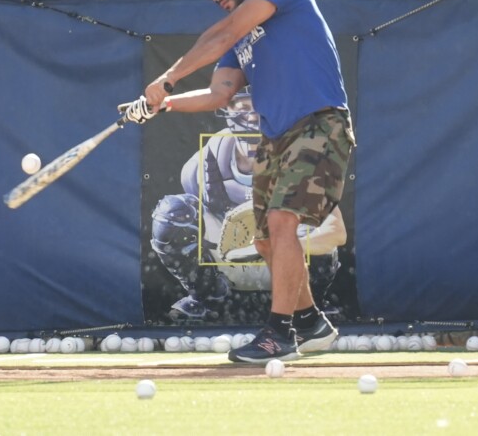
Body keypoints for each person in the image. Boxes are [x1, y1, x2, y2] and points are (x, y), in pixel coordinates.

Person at [124, 0, 355, 363]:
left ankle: (278, 333)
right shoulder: (240, 38)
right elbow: (219, 93)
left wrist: (168, 78)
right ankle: (310, 322)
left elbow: (224, 33)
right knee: (266, 240)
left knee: (284, 222)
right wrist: (163, 103)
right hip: (275, 137)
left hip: (320, 122)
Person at [149, 89, 347, 323]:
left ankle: (309, 304)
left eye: (257, 105)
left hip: (288, 260)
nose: (251, 117)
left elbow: (337, 232)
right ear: (227, 109)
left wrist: (280, 245)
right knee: (172, 213)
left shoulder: (298, 153)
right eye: (241, 107)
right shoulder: (206, 161)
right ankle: (207, 296)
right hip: (229, 259)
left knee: (317, 224)